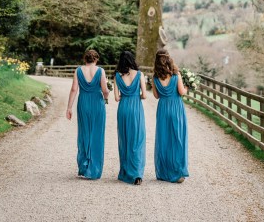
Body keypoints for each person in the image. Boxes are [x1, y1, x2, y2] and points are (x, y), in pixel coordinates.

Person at [66, 49, 109, 179]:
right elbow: (105, 90)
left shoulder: (78, 70)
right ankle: (94, 169)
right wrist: (106, 98)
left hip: (83, 102)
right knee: (96, 134)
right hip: (97, 103)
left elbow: (74, 89)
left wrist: (69, 108)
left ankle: (84, 166)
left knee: (84, 133)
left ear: (85, 59)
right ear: (96, 59)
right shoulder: (100, 71)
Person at [152, 48, 189, 183]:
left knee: (164, 139)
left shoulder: (155, 77)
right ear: (169, 59)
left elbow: (156, 96)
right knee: (177, 138)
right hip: (176, 108)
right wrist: (187, 88)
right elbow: (182, 92)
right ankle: (178, 172)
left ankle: (164, 172)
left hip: (162, 109)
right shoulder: (176, 75)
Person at [114, 51, 147, 185]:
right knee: (137, 140)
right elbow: (144, 95)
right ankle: (137, 173)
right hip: (136, 109)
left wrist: (126, 96)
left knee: (125, 140)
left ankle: (126, 172)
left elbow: (116, 98)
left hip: (123, 108)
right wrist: (134, 96)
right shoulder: (139, 74)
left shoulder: (117, 76)